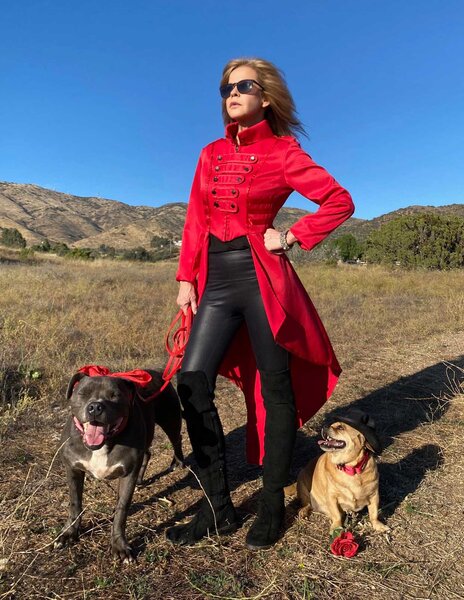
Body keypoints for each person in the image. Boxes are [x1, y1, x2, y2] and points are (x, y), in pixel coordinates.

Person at [166, 57, 354, 550]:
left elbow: (339, 201)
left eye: (243, 86)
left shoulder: (285, 152)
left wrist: (291, 235)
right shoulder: (209, 153)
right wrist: (186, 279)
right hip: (215, 281)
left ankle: (271, 503)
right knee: (191, 382)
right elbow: (194, 220)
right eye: (225, 87)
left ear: (265, 97)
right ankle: (217, 509)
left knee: (276, 391)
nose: (231, 93)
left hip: (262, 280)